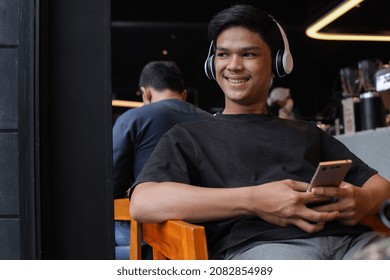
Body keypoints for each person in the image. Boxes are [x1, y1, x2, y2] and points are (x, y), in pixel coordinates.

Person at [129, 5, 390, 260]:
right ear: (212, 64)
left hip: (355, 243)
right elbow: (143, 202)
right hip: (267, 249)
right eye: (223, 55)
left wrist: (364, 199)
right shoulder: (187, 136)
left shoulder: (307, 131)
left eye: (248, 54)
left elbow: (381, 186)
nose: (234, 65)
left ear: (278, 63)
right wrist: (255, 200)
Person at [112, 60, 211, 259]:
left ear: (146, 93)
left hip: (147, 231)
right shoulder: (212, 121)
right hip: (205, 231)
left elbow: (112, 181)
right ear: (184, 94)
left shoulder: (133, 119)